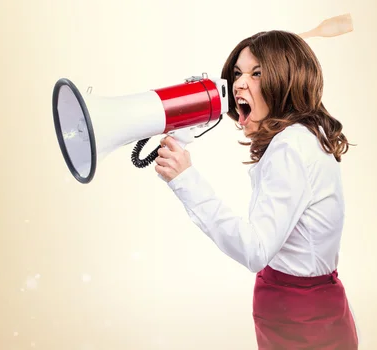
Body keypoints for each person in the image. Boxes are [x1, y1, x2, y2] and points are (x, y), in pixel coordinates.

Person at [154, 29, 358, 350]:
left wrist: (186, 180)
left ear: (286, 80)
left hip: (300, 320)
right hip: (308, 311)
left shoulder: (290, 146)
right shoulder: (308, 134)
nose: (238, 84)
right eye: (237, 73)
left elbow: (255, 249)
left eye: (256, 73)